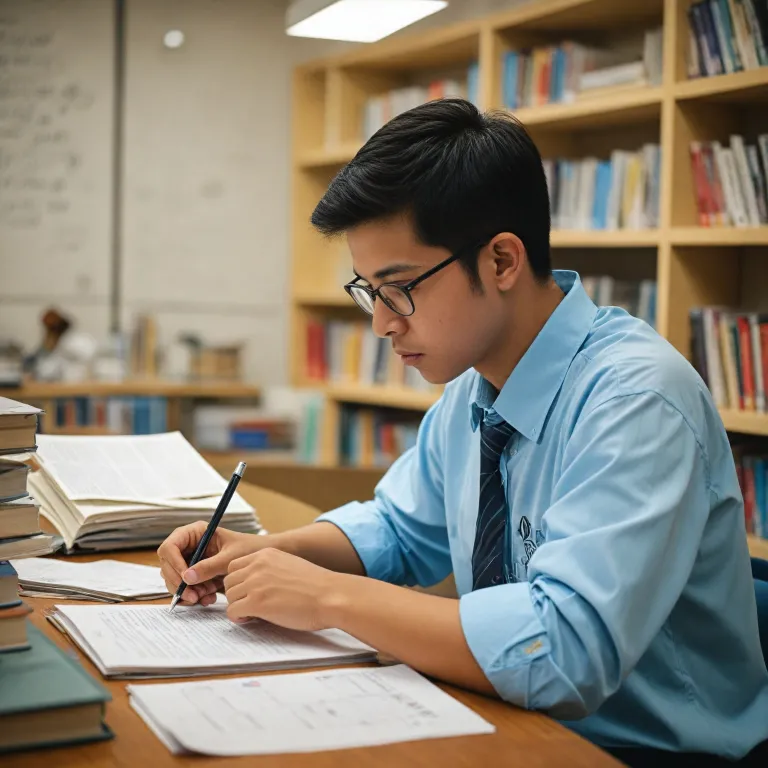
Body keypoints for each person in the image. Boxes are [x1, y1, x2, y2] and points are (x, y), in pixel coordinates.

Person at [158, 99, 768, 766]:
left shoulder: (637, 400)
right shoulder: (472, 392)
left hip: (647, 752)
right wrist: (257, 553)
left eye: (399, 288)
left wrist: (327, 596)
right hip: (509, 720)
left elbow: (563, 656)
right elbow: (396, 530)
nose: (382, 325)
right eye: (369, 291)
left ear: (502, 261)